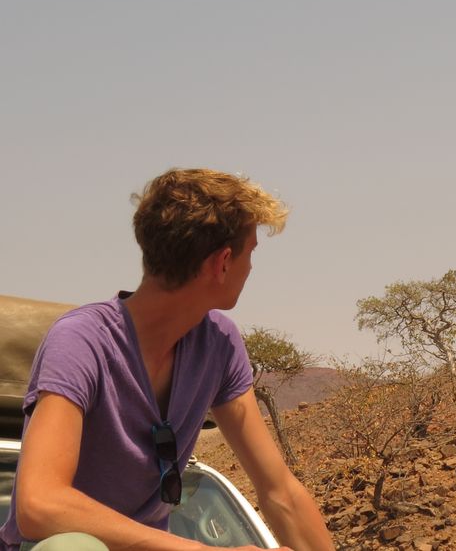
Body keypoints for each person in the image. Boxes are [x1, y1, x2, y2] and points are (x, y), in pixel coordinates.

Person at [0, 169, 334, 551]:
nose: (252, 268)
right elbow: (39, 505)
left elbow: (280, 494)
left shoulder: (219, 345)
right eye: (251, 252)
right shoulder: (82, 341)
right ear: (222, 262)